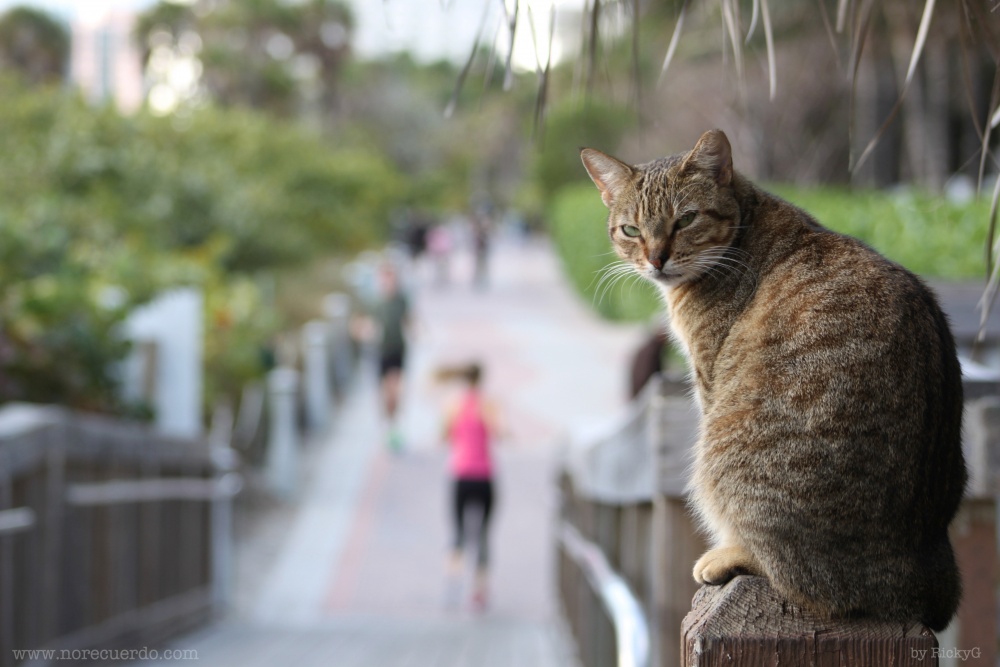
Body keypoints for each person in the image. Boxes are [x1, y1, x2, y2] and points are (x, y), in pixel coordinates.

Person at [440, 362, 499, 611]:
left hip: (460, 474)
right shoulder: (488, 404)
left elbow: (444, 435)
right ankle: (479, 591)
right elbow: (500, 431)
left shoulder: (453, 405)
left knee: (458, 533)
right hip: (484, 476)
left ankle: (453, 586)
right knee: (483, 534)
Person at [374, 265, 410, 452]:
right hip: (382, 351)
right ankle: (388, 423)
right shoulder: (375, 302)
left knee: (395, 389)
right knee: (385, 392)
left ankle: (393, 423)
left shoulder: (401, 300)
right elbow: (360, 323)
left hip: (398, 349)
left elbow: (408, 319)